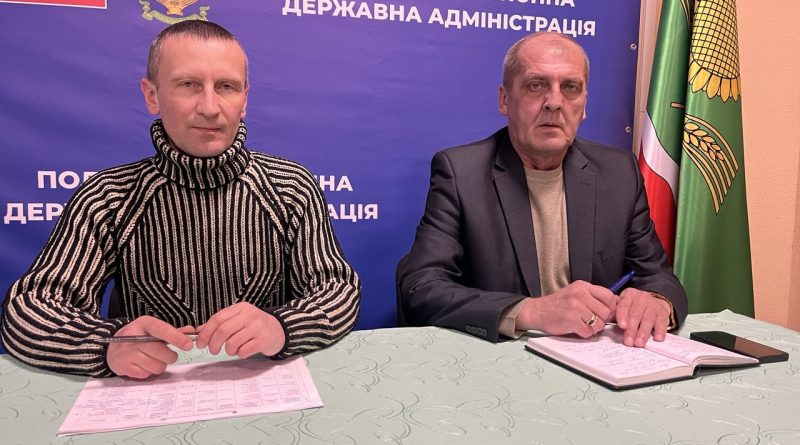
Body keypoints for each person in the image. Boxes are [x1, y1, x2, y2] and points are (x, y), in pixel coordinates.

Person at [0, 20, 360, 379]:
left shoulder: (291, 187)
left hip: (266, 391)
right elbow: (27, 312)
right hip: (149, 393)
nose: (210, 107)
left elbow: (338, 290)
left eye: (226, 87)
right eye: (188, 85)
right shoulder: (108, 197)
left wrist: (281, 327)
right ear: (152, 95)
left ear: (244, 100)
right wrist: (105, 344)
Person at [398, 32, 687, 347]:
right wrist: (532, 311)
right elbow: (421, 287)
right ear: (505, 99)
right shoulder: (461, 173)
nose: (554, 102)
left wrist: (656, 301)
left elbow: (657, 275)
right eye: (536, 85)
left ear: (584, 104)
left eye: (570, 87)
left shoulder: (618, 172)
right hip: (502, 358)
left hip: (595, 355)